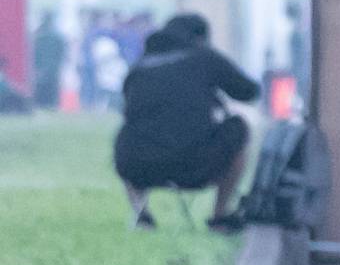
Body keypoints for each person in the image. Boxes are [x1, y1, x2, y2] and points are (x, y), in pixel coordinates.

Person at [109, 13, 257, 230]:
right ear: (200, 38)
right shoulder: (204, 57)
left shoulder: (139, 66)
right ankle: (219, 214)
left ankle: (141, 213)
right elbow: (248, 91)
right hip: (196, 163)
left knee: (128, 136)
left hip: (141, 166)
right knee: (238, 127)